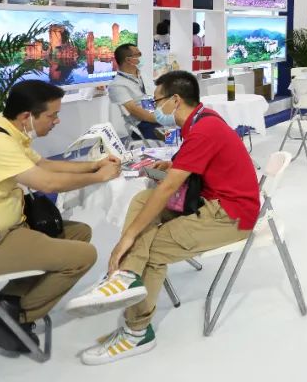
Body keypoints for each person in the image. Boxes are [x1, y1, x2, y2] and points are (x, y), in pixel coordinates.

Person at [66, 71, 260, 365]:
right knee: (143, 198)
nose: (153, 108)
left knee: (151, 249)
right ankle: (127, 276)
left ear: (175, 100)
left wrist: (128, 237)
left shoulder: (204, 129)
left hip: (229, 215)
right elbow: (195, 165)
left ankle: (137, 331)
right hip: (208, 201)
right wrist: (174, 164)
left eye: (156, 101)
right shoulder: (200, 120)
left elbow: (168, 187)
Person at [0, 81, 120, 354]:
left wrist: (93, 166)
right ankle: (14, 317)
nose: (56, 121)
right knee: (83, 256)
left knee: (79, 233)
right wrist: (98, 177)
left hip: (5, 230)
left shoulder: (6, 130)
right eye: (52, 115)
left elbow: (43, 164)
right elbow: (47, 182)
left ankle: (8, 298)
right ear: (27, 116)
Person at [109, 44, 164, 143]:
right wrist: (162, 119)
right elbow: (134, 110)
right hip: (143, 124)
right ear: (128, 60)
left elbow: (157, 95)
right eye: (138, 54)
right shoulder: (117, 85)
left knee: (187, 127)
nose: (141, 57)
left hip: (157, 115)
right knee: (175, 137)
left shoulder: (143, 75)